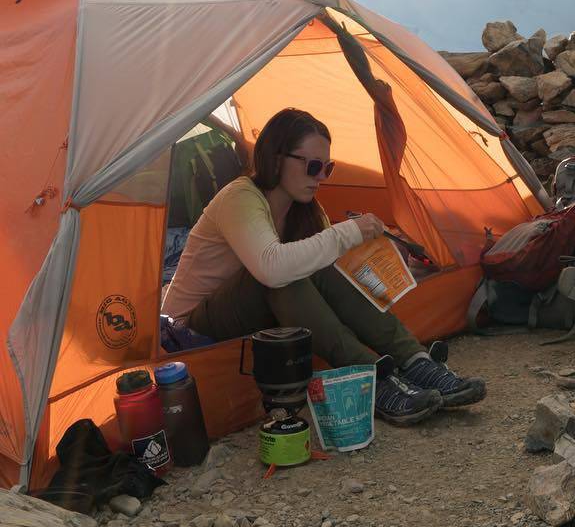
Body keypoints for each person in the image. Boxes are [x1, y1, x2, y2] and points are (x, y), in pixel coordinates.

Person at [162, 107, 486, 424]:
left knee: (311, 263)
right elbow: (271, 270)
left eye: (326, 169)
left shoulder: (303, 209)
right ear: (276, 158)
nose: (319, 178)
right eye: (313, 166)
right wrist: (346, 233)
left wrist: (376, 253)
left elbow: (328, 272)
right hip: (192, 330)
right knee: (282, 273)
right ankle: (370, 377)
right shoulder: (239, 198)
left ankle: (413, 359)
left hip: (254, 316)